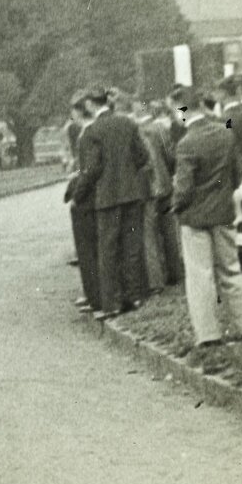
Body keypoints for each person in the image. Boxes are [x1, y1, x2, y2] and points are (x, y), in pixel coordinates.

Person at [169, 86, 242, 351]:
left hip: (194, 218)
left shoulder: (186, 143)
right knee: (231, 269)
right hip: (223, 213)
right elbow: (238, 174)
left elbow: (184, 188)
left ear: (181, 110)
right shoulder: (225, 133)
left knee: (201, 276)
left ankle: (208, 335)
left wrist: (175, 207)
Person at [72, 85, 149, 320]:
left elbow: (93, 168)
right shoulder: (128, 123)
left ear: (89, 104)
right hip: (131, 194)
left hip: (107, 198)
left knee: (108, 251)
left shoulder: (93, 130)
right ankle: (135, 297)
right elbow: (142, 156)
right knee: (132, 246)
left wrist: (79, 193)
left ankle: (112, 303)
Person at [134, 97, 183, 292]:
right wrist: (169, 175)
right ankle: (175, 272)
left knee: (149, 235)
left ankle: (155, 281)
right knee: (169, 230)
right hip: (164, 185)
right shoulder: (160, 129)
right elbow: (171, 156)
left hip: (147, 188)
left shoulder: (135, 131)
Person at [64, 92, 100, 313]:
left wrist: (77, 194)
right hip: (92, 196)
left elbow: (88, 170)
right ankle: (92, 293)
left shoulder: (87, 134)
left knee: (87, 249)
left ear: (79, 111)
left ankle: (94, 295)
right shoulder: (89, 132)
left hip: (87, 198)